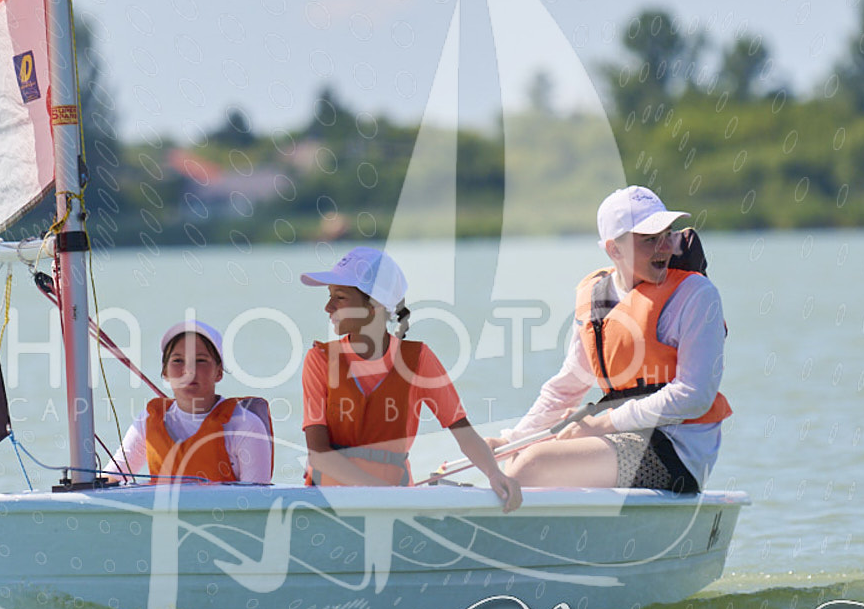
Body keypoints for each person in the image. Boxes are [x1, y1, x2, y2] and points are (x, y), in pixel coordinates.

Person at [493, 185, 730, 493]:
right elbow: (567, 387)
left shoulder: (697, 295)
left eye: (667, 234)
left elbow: (695, 395)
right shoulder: (595, 299)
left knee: (533, 464)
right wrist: (509, 442)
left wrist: (602, 424)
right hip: (618, 436)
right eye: (649, 239)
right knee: (518, 459)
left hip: (677, 450)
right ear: (614, 249)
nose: (664, 248)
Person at [299, 246, 522, 512]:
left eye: (340, 297)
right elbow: (319, 455)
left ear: (374, 306)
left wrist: (494, 474)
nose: (328, 307)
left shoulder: (418, 359)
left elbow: (464, 433)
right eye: (330, 296)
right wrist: (383, 493)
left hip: (396, 503)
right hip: (334, 503)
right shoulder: (319, 360)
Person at [106, 320, 273, 484]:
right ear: (165, 372)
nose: (189, 371)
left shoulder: (245, 426)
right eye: (178, 361)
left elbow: (256, 498)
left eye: (200, 360)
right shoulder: (148, 420)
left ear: (219, 372)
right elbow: (113, 476)